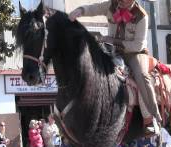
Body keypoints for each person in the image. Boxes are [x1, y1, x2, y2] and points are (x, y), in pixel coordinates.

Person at [69, 0, 163, 132]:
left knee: (142, 76)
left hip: (134, 54)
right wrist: (79, 11)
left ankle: (152, 118)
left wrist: (112, 40)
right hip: (111, 50)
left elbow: (138, 45)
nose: (121, 2)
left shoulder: (142, 16)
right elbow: (94, 8)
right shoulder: (111, 5)